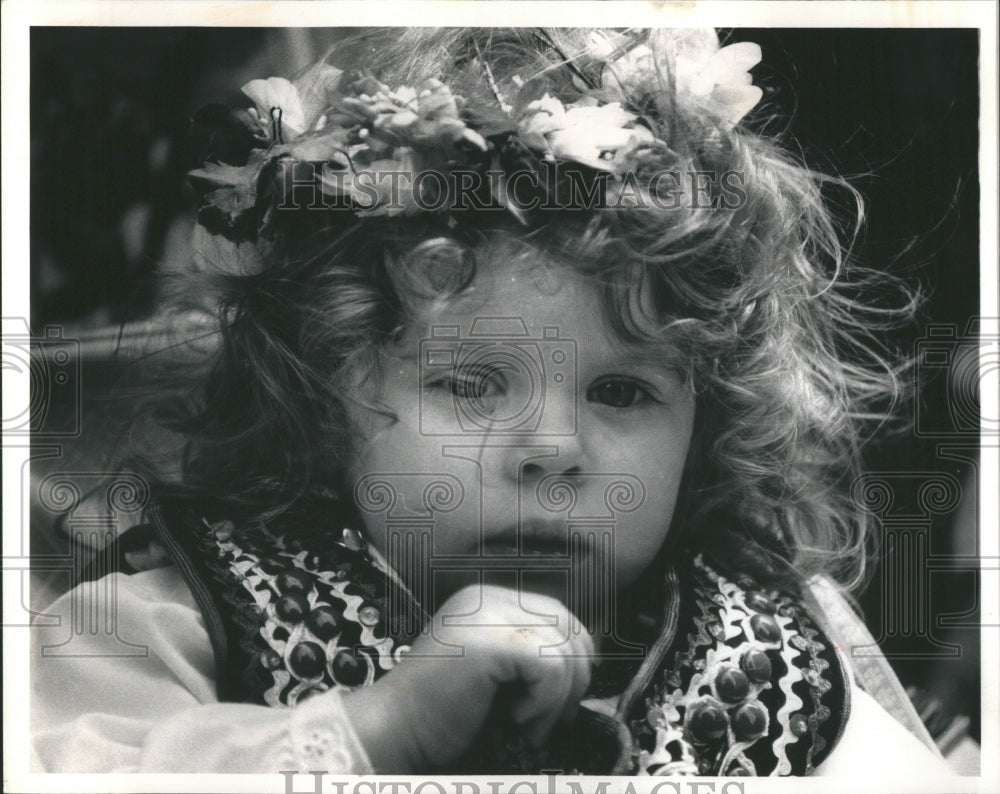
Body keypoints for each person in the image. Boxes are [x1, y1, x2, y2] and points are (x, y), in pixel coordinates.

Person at [31, 27, 956, 777]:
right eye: (470, 384)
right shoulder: (175, 622)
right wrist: (375, 729)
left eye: (623, 391)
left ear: (704, 427)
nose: (552, 448)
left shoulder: (771, 668)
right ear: (322, 391)